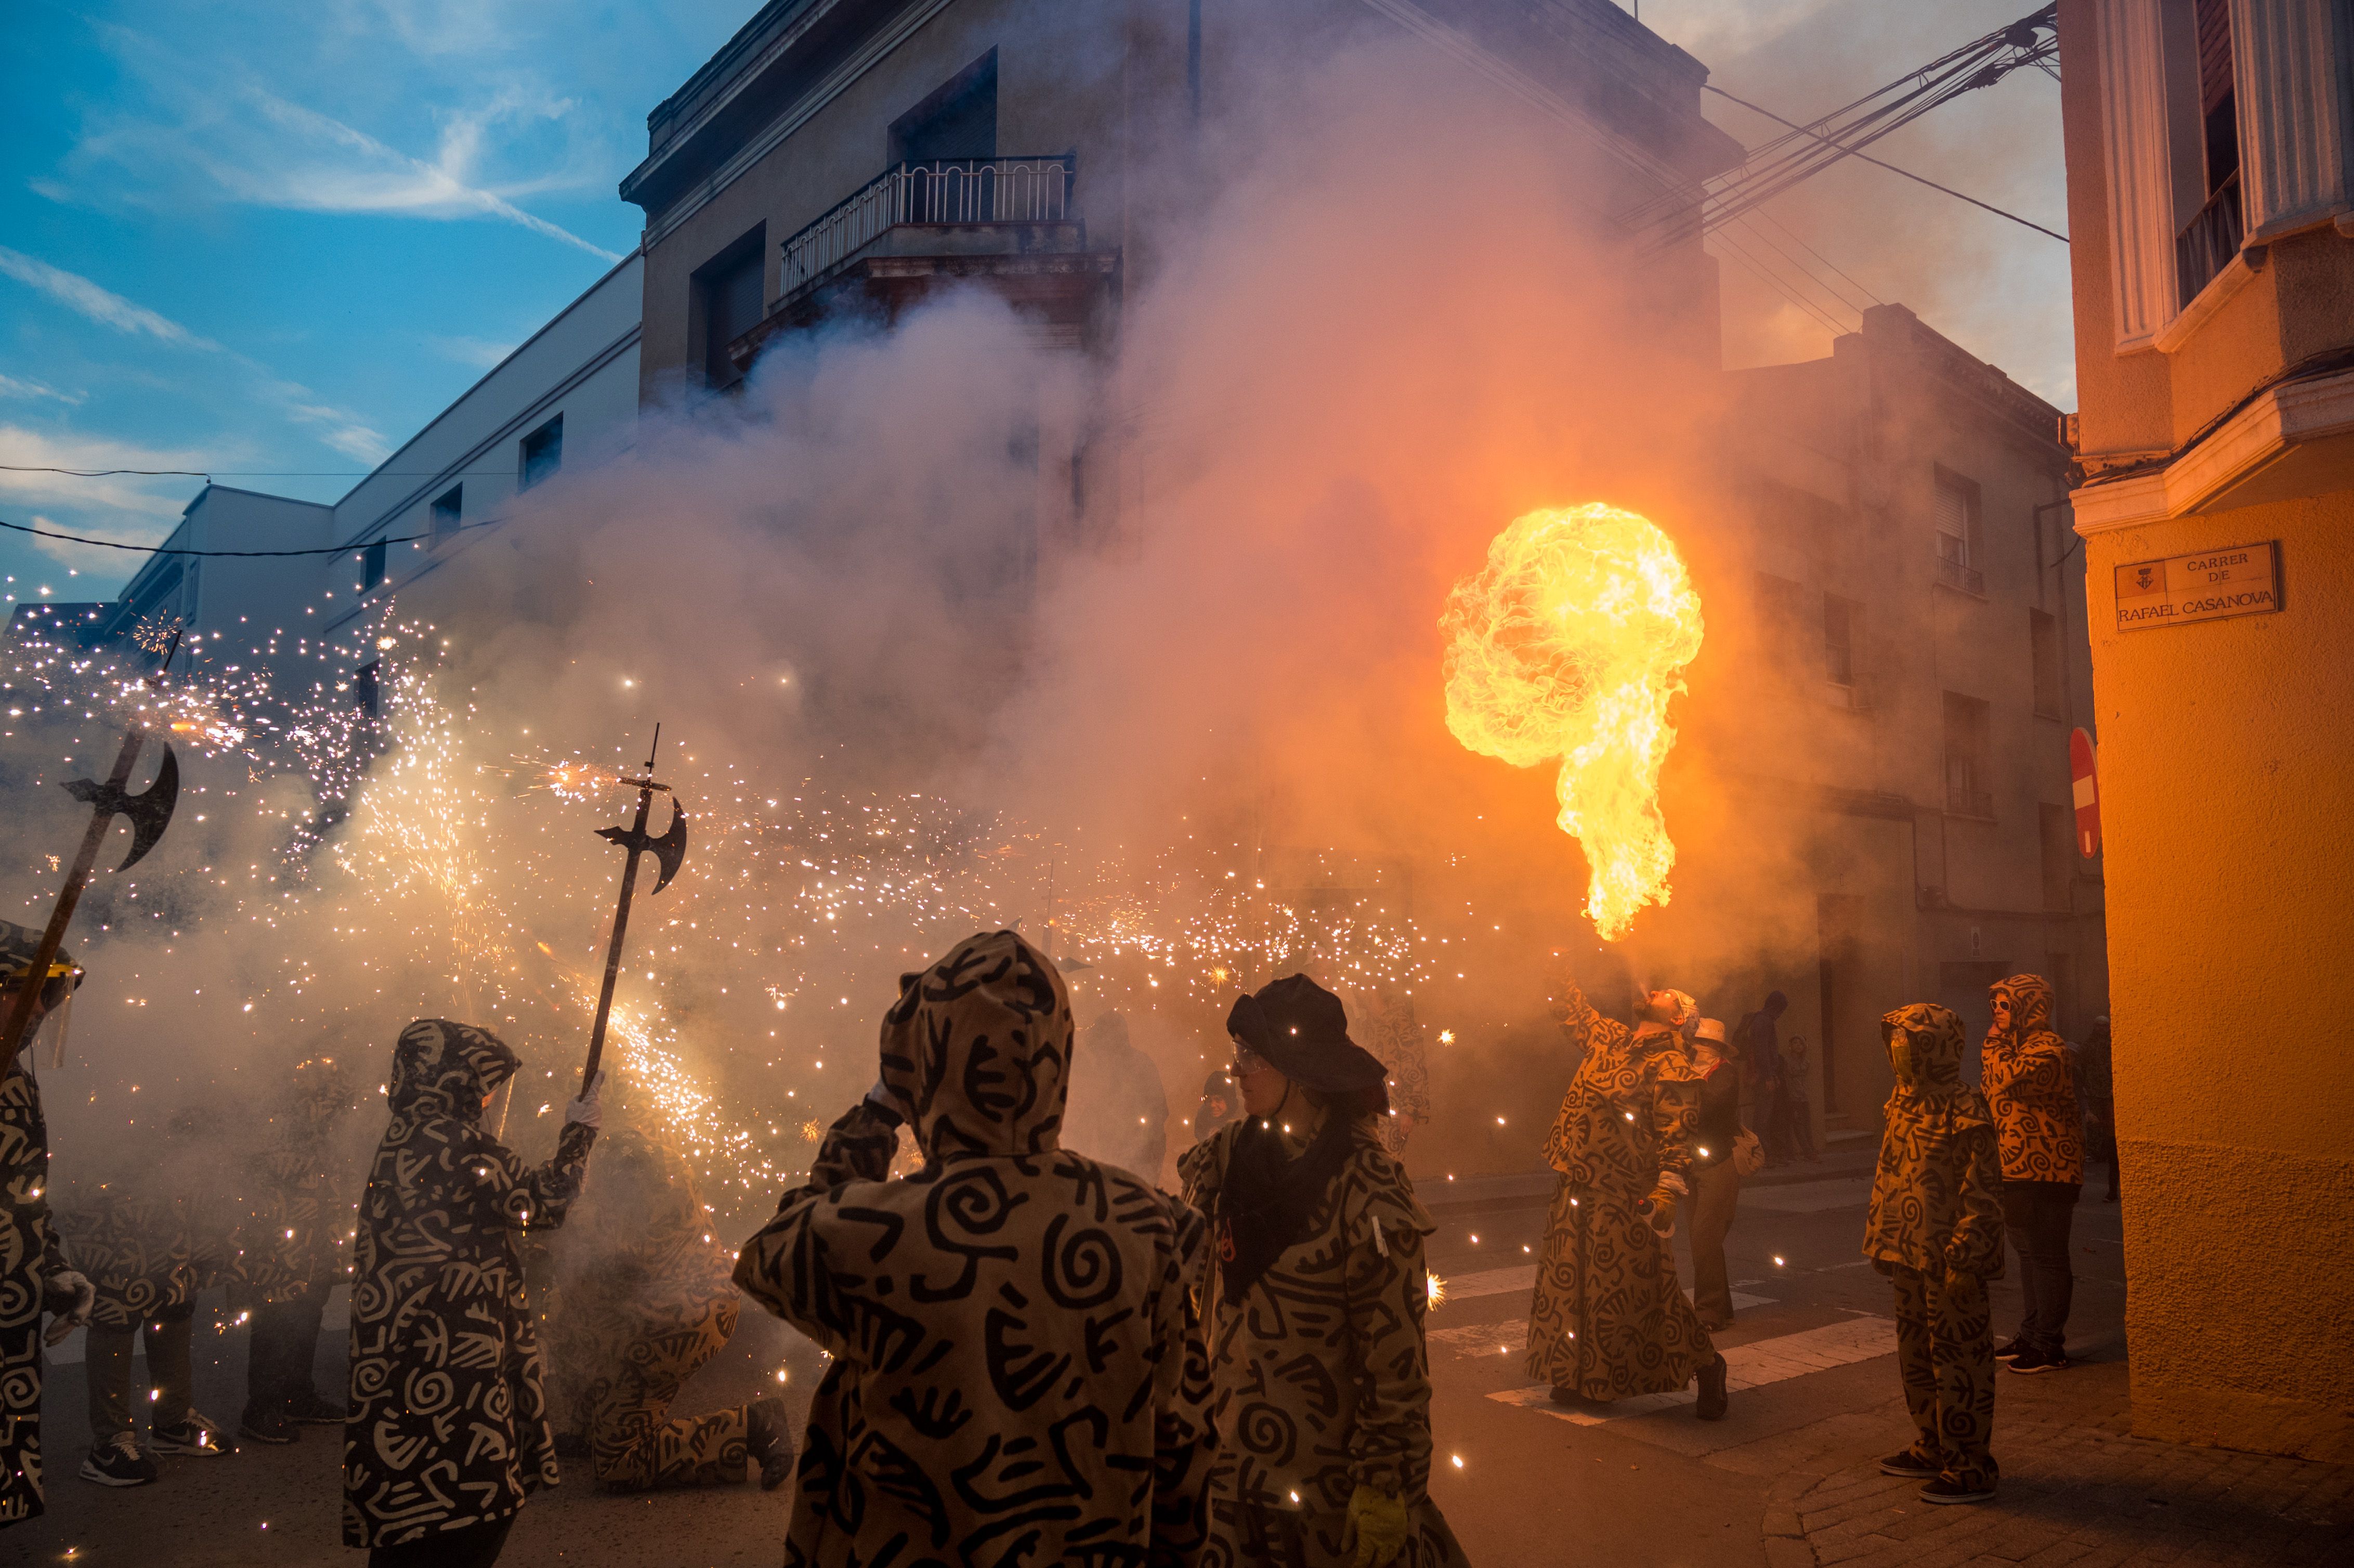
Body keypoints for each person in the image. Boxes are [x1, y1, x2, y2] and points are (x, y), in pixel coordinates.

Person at [733, 930, 1215, 1566]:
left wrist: (877, 1111)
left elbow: (773, 1254)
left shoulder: (879, 1232)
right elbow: (1184, 1457)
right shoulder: (1149, 1226)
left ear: (926, 1066)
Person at [1180, 974, 1464, 1566]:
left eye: (1252, 1056)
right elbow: (1173, 1281)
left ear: (1299, 1070)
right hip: (1227, 1480)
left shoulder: (1369, 1187)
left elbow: (1394, 1364)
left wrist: (1384, 1484)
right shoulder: (1226, 1155)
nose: (1237, 1071)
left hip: (1322, 1494)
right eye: (1238, 1053)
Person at [343, 1021, 600, 1566]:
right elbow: (543, 1203)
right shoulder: (456, 1145)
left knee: (410, 1520)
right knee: (471, 1508)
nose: (488, 1099)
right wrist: (579, 1133)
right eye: (484, 1085)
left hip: (404, 1361)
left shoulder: (407, 1134)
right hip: (451, 1364)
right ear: (454, 1081)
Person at [539, 1126, 792, 1493]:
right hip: (636, 1308)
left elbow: (614, 1253)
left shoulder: (654, 1197)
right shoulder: (644, 1170)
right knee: (564, 1308)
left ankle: (754, 1425)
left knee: (618, 1467)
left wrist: (551, 1211)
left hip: (676, 1320)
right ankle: (593, 1427)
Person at [1526, 982, 1726, 1418]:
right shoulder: (1610, 1037)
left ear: (1678, 1018)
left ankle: (1708, 1364)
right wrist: (1556, 960)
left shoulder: (1672, 1064)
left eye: (1667, 994)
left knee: (1636, 1291)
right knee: (1571, 1284)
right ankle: (1577, 1374)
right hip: (1575, 1179)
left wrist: (1667, 1191)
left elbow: (1678, 1135)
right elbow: (1568, 1007)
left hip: (1625, 1191)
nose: (1655, 989)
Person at [1864, 1004, 2005, 1505]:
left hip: (1949, 1259)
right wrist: (1882, 1238)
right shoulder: (1902, 1103)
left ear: (1936, 1047)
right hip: (1907, 1251)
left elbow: (1982, 1188)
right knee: (1916, 1355)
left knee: (1959, 1361)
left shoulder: (1963, 1105)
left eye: (1909, 1045)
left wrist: (1967, 1255)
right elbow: (1891, 1173)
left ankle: (1970, 1465)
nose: (1900, 1056)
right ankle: (1931, 1444)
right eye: (1895, 1045)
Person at [65, 1106, 237, 1484]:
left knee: (174, 1293)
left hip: (169, 1165)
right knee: (114, 1304)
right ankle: (109, 1442)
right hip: (108, 1165)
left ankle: (173, 1422)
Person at [0, 924, 96, 1528]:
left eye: (50, 993)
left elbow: (24, 1199)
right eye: (20, 987)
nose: (38, 1006)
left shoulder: (18, 1082)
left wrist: (52, 1267)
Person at [235, 1052, 359, 1445]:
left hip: (318, 1220)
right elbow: (302, 1126)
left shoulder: (327, 1067)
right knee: (278, 1311)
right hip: (280, 1225)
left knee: (309, 1307)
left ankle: (298, 1394)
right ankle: (263, 1408)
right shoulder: (281, 1078)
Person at [1981, 974, 2083, 1375]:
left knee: (2048, 1256)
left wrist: (1993, 1043)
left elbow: (2005, 1081)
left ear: (2031, 1006)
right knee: (2027, 1253)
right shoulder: (2018, 1047)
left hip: (2049, 1169)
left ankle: (2049, 1345)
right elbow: (1992, 1086)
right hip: (2015, 1167)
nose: (1997, 1012)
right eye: (1996, 1004)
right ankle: (2032, 1332)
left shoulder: (2049, 1049)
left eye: (2006, 1005)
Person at [1682, 1018, 1745, 1331]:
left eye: (1707, 1044)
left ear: (1718, 1049)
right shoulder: (1689, 1070)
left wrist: (1683, 1083)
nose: (1700, 1049)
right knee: (1703, 1240)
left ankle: (1708, 1312)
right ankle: (1722, 1308)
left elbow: (1707, 1107)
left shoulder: (1726, 1074)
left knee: (1704, 1238)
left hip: (1719, 1164)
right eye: (1698, 1043)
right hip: (1692, 1165)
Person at [1063, 1009, 1170, 1183]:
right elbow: (1095, 1108)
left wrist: (1138, 1138)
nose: (1098, 1053)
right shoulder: (1105, 1070)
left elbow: (1159, 1113)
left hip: (1144, 1153)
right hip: (1115, 1154)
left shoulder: (1140, 1067)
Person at [1358, 984, 1434, 1157]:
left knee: (1391, 1162)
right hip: (1369, 1109)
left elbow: (1416, 1069)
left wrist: (1409, 1110)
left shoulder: (1402, 1025)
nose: (1365, 999)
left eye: (1370, 995)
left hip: (1394, 1110)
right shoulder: (1367, 1026)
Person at [1736, 992, 1790, 1162]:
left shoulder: (1759, 1020)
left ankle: (1763, 1154)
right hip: (1762, 1077)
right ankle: (1760, 1155)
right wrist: (1769, 1077)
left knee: (1763, 1116)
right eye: (1781, 1010)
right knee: (1762, 1118)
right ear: (1776, 1007)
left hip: (1762, 1075)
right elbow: (1762, 1052)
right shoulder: (1765, 1021)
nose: (1780, 1014)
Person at [2079, 1015, 2118, 1203]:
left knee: (2110, 1123)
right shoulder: (2089, 1045)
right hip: (2094, 1087)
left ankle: (2107, 1151)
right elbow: (2083, 1064)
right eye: (2098, 1026)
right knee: (2094, 1122)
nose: (2101, 1029)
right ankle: (2095, 1152)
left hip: (2110, 1088)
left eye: (2104, 1026)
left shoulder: (2113, 1044)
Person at [1776, 1033, 1820, 1162]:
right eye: (1795, 1043)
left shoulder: (1806, 1061)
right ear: (1790, 1046)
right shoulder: (1787, 1061)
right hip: (1792, 1097)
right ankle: (1807, 1152)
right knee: (1797, 1125)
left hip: (1803, 1096)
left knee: (1807, 1124)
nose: (1798, 1046)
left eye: (1801, 1044)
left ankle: (1810, 1149)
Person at [1192, 1067, 1243, 1144]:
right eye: (1209, 1100)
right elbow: (1201, 1143)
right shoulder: (1203, 1116)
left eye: (1218, 1100)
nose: (1212, 1105)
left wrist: (1225, 1136)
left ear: (1229, 1100)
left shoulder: (1246, 1112)